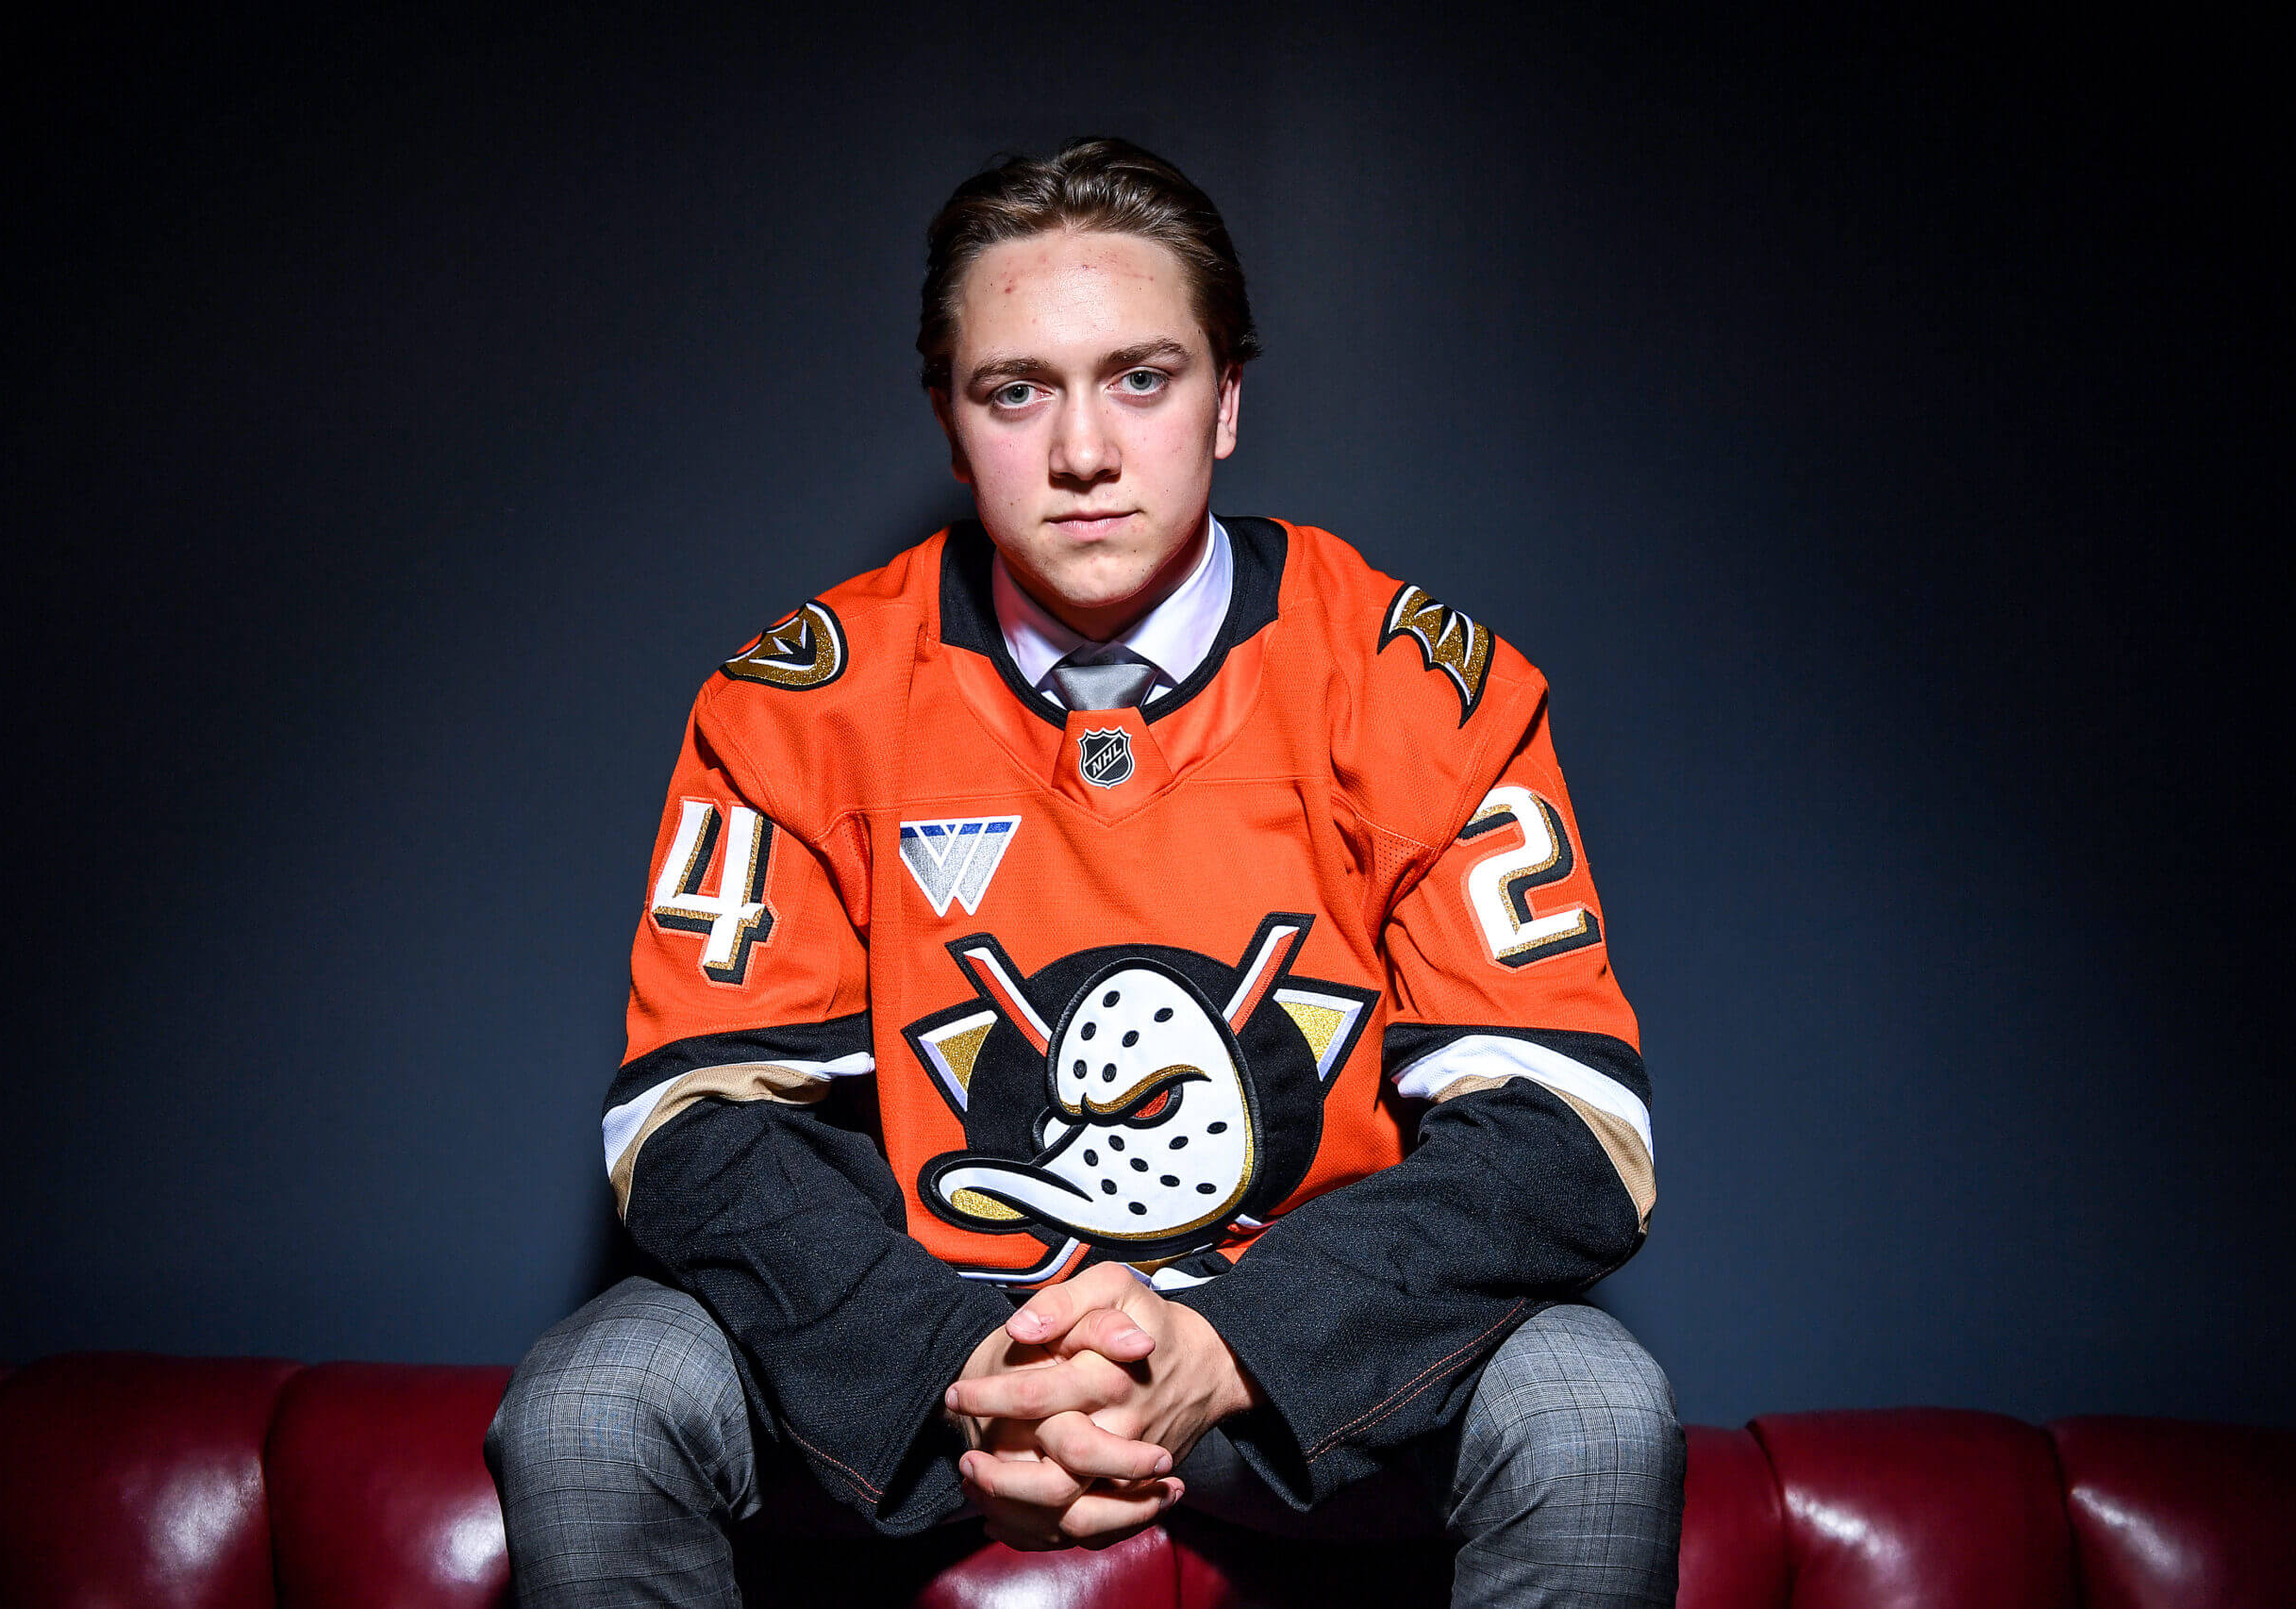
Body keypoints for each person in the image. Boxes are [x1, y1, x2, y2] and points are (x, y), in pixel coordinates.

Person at [486, 138, 1683, 1608]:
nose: (1083, 452)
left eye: (1141, 378)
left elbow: (1573, 1128)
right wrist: (958, 1368)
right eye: (1016, 390)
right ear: (948, 417)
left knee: (1593, 1408)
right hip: (926, 1345)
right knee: (594, 1402)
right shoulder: (795, 703)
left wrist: (1234, 1342)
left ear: (1227, 398)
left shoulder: (1415, 685)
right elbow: (686, 1121)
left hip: (1305, 1355)